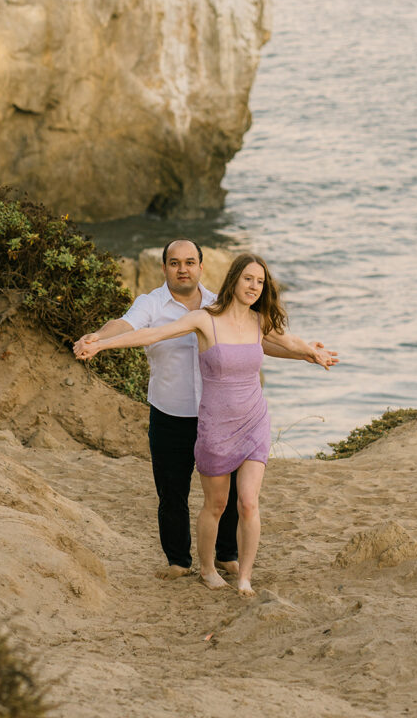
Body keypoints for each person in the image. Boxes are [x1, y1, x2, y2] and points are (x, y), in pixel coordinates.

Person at [75, 248, 338, 596]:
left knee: (244, 501)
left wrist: (309, 352)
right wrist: (101, 343)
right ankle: (186, 563)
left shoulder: (249, 314)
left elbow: (278, 340)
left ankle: (239, 569)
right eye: (248, 279)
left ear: (201, 266)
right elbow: (146, 333)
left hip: (244, 418)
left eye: (260, 282)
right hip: (182, 413)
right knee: (186, 495)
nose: (254, 286)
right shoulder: (189, 312)